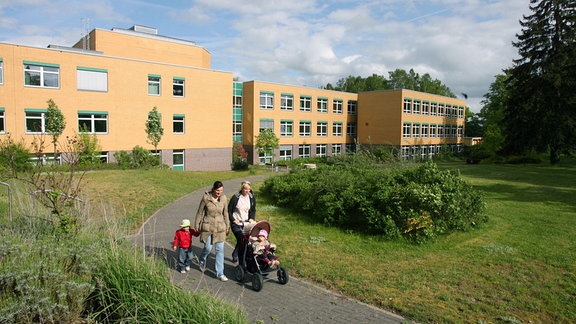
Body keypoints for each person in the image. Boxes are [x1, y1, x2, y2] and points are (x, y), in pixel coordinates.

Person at [194, 181, 231, 282]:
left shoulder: (223, 198)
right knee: (208, 248)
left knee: (220, 250)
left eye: (221, 190)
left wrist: (228, 226)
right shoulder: (206, 198)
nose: (220, 192)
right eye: (218, 190)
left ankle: (220, 273)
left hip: (220, 227)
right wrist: (196, 225)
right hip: (208, 227)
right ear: (213, 189)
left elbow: (226, 213)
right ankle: (201, 260)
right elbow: (199, 212)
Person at [227, 180, 257, 264]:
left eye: (249, 189)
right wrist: (233, 220)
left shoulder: (251, 197)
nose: (247, 191)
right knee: (241, 238)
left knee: (246, 240)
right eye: (245, 189)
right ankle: (241, 262)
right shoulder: (236, 197)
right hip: (236, 223)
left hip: (246, 223)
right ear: (242, 189)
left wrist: (251, 218)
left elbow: (253, 210)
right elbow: (229, 210)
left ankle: (235, 253)